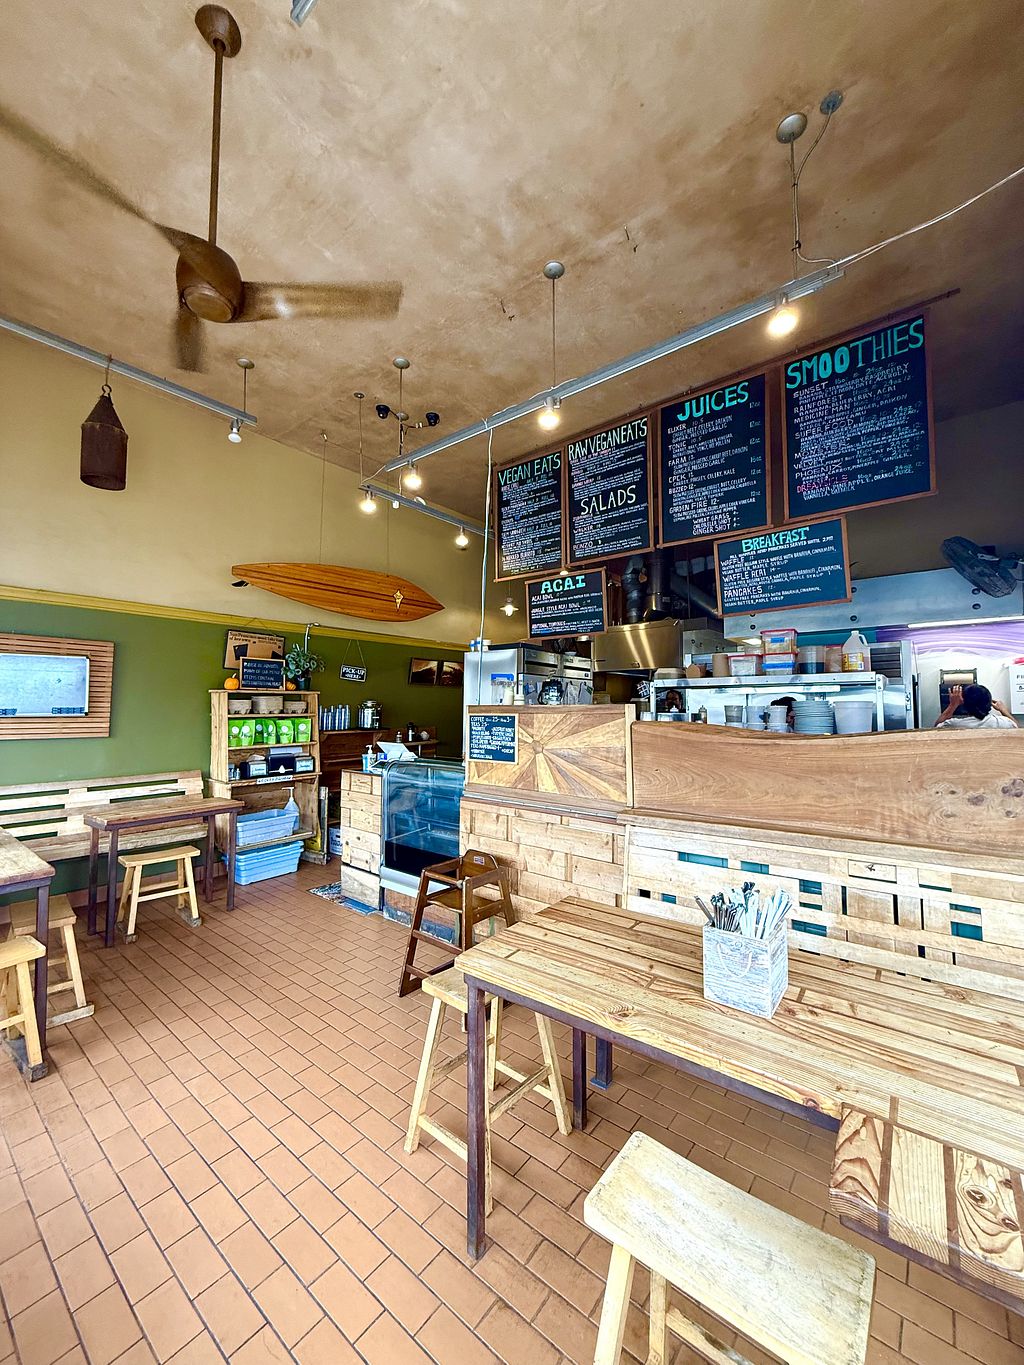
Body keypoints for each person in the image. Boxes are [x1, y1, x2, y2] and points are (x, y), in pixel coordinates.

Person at [934, 683, 1018, 729]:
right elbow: (1016, 727)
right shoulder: (1001, 723)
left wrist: (952, 705)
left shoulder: (954, 725)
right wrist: (1003, 710)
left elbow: (936, 729)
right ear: (989, 703)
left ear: (964, 705)